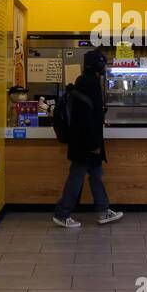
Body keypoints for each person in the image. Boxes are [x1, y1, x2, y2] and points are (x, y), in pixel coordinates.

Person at [53, 49, 125, 228]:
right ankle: (62, 213)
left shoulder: (84, 80)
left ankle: (103, 210)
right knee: (77, 176)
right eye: (102, 63)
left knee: (95, 175)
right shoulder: (90, 83)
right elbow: (87, 117)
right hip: (86, 142)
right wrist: (94, 144)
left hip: (83, 140)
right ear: (96, 65)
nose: (104, 66)